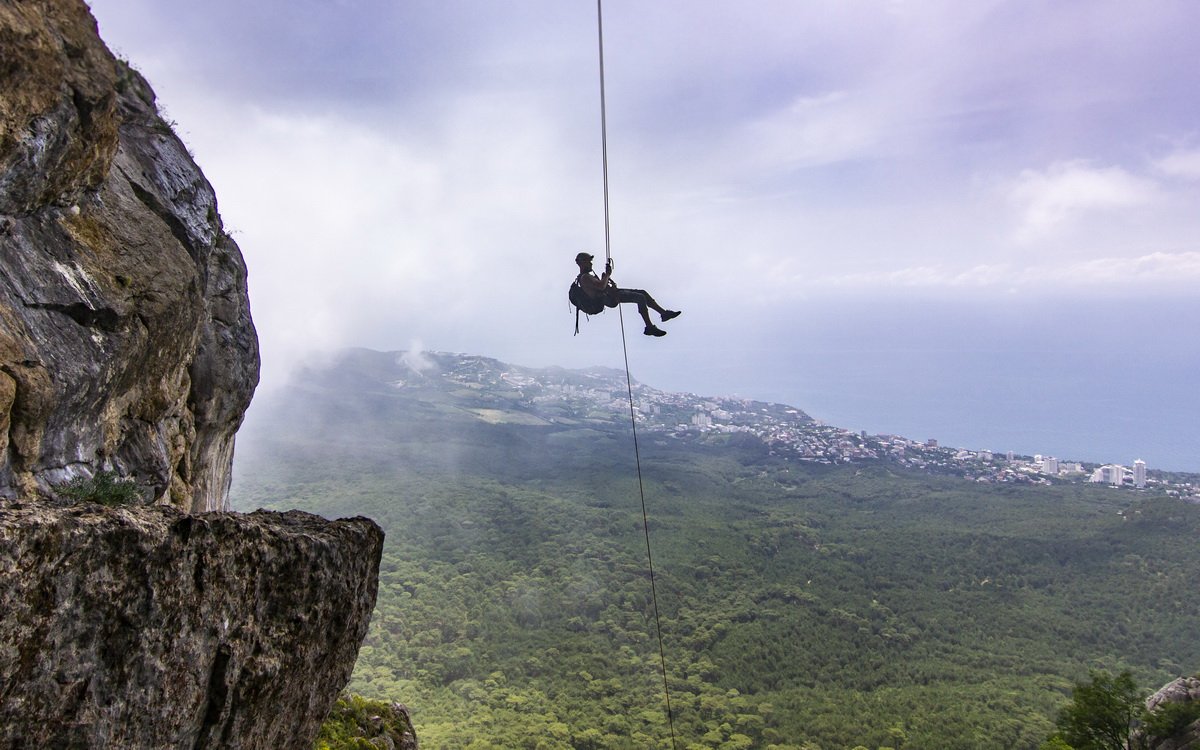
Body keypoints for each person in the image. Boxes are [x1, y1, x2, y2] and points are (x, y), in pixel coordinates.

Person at [574, 252, 680, 336]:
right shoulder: (585, 277)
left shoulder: (587, 276)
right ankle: (649, 327)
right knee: (640, 297)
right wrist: (607, 275)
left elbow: (601, 286)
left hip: (609, 295)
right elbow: (601, 287)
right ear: (582, 263)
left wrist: (606, 279)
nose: (591, 263)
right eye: (589, 261)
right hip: (608, 298)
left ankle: (663, 313)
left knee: (642, 293)